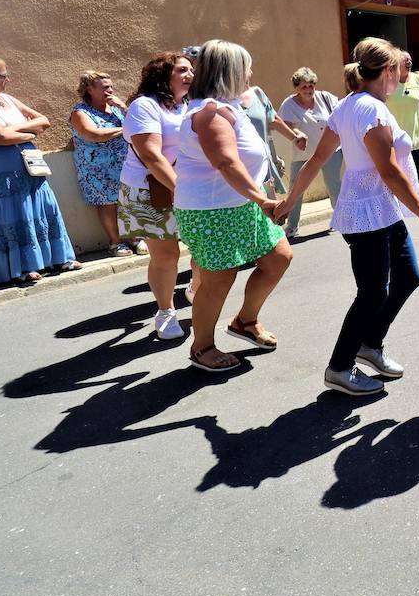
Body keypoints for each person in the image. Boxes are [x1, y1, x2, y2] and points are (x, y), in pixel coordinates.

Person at [280, 38, 419, 396]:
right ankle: (339, 366)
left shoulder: (348, 106)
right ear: (386, 72)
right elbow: (387, 170)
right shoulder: (371, 110)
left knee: (408, 277)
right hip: (367, 212)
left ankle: (370, 345)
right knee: (372, 293)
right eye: (399, 69)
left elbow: (316, 160)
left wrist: (288, 200)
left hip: (382, 209)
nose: (402, 76)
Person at [174, 40, 293, 373]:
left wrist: (260, 193)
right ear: (230, 72)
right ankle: (202, 348)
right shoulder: (208, 112)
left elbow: (247, 160)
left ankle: (245, 322)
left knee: (278, 258)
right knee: (219, 279)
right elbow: (226, 162)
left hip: (241, 204)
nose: (251, 73)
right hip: (213, 210)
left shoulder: (226, 106)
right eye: (247, 67)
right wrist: (264, 199)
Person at [0, 54, 78, 285]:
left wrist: (15, 131)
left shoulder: (7, 99)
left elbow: (44, 120)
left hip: (28, 163)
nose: (7, 80)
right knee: (11, 211)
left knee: (40, 206)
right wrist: (25, 131)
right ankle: (19, 267)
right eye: (2, 75)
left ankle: (57, 258)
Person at [118, 52, 196, 339]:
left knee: (204, 247)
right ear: (163, 75)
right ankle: (166, 310)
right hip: (150, 191)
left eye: (191, 70)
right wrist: (181, 189)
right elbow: (151, 155)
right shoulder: (144, 107)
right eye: (182, 70)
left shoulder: (187, 105)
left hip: (188, 187)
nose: (190, 75)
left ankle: (194, 288)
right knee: (166, 255)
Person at [70, 71, 135, 257]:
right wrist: (125, 129)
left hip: (125, 163)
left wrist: (124, 108)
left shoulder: (115, 108)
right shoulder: (80, 112)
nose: (110, 90)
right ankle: (116, 243)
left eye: (111, 86)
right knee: (107, 204)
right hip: (97, 168)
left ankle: (135, 238)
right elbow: (92, 134)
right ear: (89, 89)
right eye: (105, 87)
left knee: (128, 200)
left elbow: (140, 124)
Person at [278, 67, 342, 239]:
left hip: (330, 150)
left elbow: (340, 115)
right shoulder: (289, 104)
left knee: (333, 185)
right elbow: (284, 125)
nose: (309, 89)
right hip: (303, 153)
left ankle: (341, 219)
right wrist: (297, 134)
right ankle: (292, 226)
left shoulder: (326, 98)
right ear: (297, 87)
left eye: (311, 85)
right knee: (296, 189)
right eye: (304, 86)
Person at [238, 81, 304, 198]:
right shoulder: (222, 100)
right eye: (247, 68)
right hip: (239, 171)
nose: (250, 72)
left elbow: (273, 120)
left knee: (271, 210)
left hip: (264, 168)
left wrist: (295, 138)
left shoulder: (257, 94)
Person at [388, 52, 419, 183]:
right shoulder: (389, 80)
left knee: (412, 159)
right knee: (399, 162)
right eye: (406, 60)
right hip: (396, 129)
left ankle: (413, 187)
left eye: (410, 60)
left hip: (412, 127)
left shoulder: (417, 79)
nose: (409, 62)